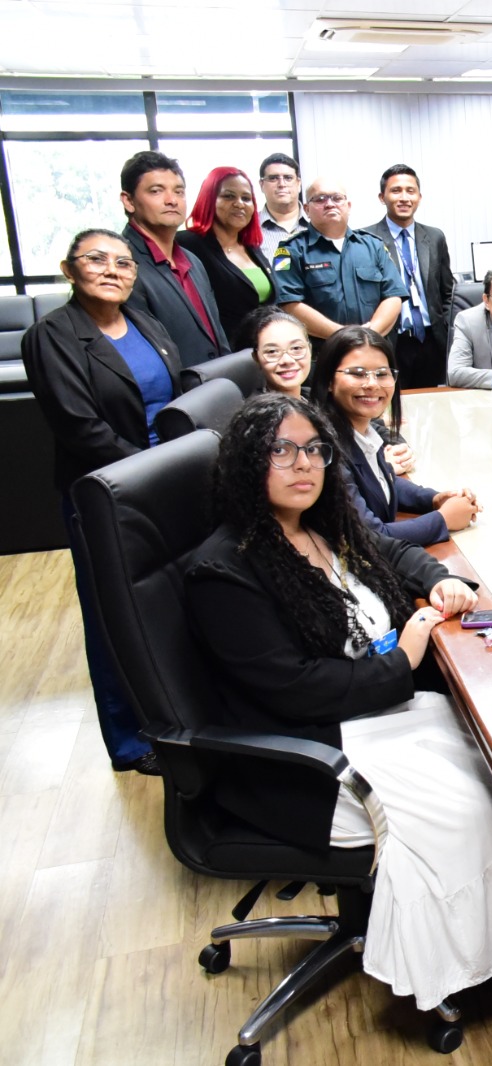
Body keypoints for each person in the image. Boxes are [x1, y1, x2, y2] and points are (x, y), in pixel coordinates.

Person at [185, 393, 492, 1012]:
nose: (303, 464)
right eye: (282, 450)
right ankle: (461, 971)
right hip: (311, 751)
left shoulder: (319, 526)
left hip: (374, 715)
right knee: (465, 808)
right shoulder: (225, 570)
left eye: (314, 449)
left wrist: (436, 580)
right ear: (249, 463)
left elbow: (395, 552)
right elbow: (295, 690)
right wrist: (404, 658)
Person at [22, 228, 181, 776]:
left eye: (124, 262)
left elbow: (175, 397)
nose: (114, 270)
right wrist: (148, 474)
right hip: (106, 492)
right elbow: (79, 426)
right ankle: (131, 740)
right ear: (69, 270)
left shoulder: (146, 323)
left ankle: (179, 717)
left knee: (163, 606)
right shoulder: (53, 335)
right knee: (112, 615)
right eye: (97, 260)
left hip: (162, 481)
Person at [309, 325, 479, 546]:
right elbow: (368, 538)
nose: (372, 384)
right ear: (329, 380)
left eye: (382, 374)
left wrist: (434, 499)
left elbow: (378, 479)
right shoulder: (325, 450)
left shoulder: (361, 430)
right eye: (357, 373)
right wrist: (443, 520)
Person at [119, 150, 226, 367]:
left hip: (214, 387)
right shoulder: (122, 264)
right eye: (156, 191)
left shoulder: (192, 260)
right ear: (129, 201)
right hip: (171, 396)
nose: (172, 201)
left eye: (179, 192)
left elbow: (215, 332)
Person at [274, 177, 407, 344]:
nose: (329, 204)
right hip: (322, 354)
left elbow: (393, 296)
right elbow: (289, 304)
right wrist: (344, 336)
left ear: (348, 206)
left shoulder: (374, 246)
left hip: (374, 348)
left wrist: (370, 333)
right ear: (307, 209)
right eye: (320, 199)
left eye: (337, 198)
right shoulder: (288, 251)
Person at [362, 164, 455, 388]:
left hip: (432, 341)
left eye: (410, 191)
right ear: (382, 197)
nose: (404, 197)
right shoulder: (366, 239)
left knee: (435, 406)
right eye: (396, 191)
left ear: (419, 197)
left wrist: (448, 330)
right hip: (391, 341)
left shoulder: (434, 237)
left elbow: (448, 292)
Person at [176, 166, 277, 350]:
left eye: (246, 198)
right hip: (223, 354)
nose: (239, 204)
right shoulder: (188, 244)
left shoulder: (251, 247)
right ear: (209, 200)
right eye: (229, 196)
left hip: (264, 350)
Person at [249, 309, 312, 396]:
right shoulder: (258, 409)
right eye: (272, 351)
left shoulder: (315, 397)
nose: (287, 360)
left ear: (310, 350)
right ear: (256, 359)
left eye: (296, 348)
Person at [258, 152, 308, 248]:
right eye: (273, 178)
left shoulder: (319, 223)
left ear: (299, 184)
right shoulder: (247, 229)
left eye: (288, 178)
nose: (281, 184)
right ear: (262, 185)